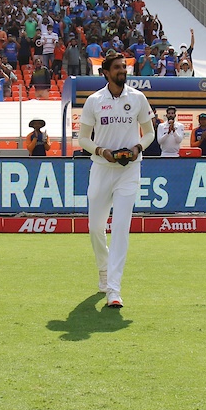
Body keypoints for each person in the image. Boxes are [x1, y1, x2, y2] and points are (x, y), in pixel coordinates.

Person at [77, 50, 155, 308]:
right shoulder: (94, 101)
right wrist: (102, 151)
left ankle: (114, 289)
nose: (123, 71)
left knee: (120, 228)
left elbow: (149, 133)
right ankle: (103, 271)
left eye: (124, 67)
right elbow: (84, 140)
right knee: (95, 228)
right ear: (106, 72)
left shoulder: (138, 98)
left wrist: (137, 149)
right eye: (118, 67)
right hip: (101, 168)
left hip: (130, 170)